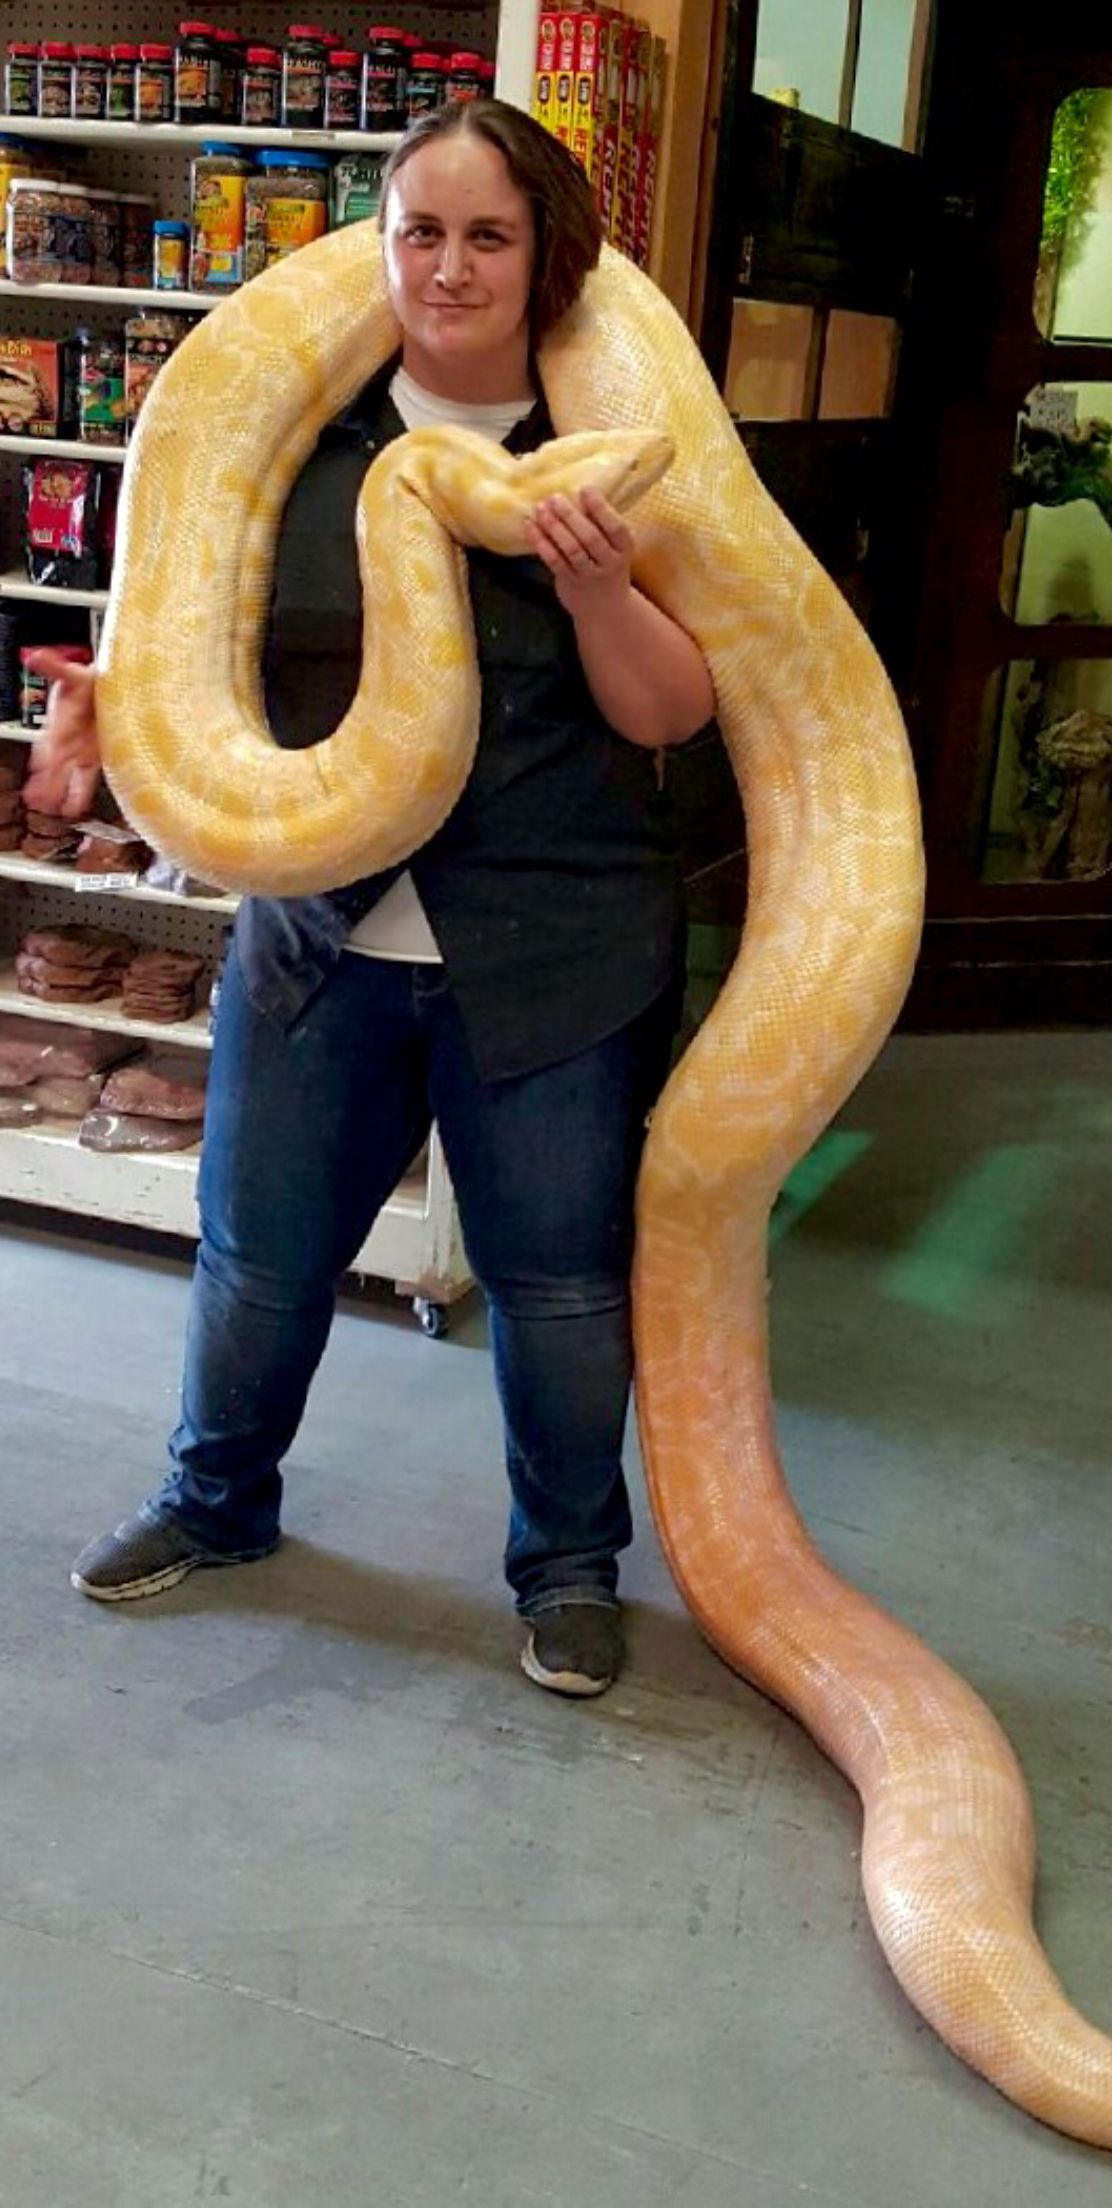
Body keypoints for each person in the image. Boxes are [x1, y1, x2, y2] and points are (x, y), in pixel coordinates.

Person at [26, 100, 715, 1698]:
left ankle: (564, 1570)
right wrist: (112, 713)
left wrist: (600, 579)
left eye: (489, 235)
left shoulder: (610, 447)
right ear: (379, 242)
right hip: (324, 937)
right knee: (258, 1256)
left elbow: (670, 715)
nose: (450, 266)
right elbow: (205, 664)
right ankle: (214, 1503)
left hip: (554, 942)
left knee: (555, 1284)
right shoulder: (293, 446)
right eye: (422, 231)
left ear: (544, 256)